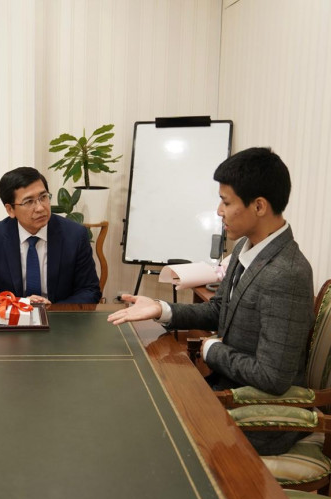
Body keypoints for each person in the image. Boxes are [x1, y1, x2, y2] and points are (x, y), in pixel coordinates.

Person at [108, 147, 314, 456]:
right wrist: (162, 309)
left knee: (145, 428)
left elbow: (272, 378)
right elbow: (220, 310)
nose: (219, 211)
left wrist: (211, 349)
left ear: (259, 206)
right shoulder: (246, 247)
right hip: (224, 391)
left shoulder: (286, 274)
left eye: (226, 202)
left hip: (257, 418)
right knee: (136, 400)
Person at [0, 166, 101, 304]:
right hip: (13, 315)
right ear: (10, 209)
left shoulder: (75, 235)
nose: (40, 208)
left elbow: (90, 291)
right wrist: (19, 303)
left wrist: (52, 310)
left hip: (58, 314)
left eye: (43, 197)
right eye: (29, 202)